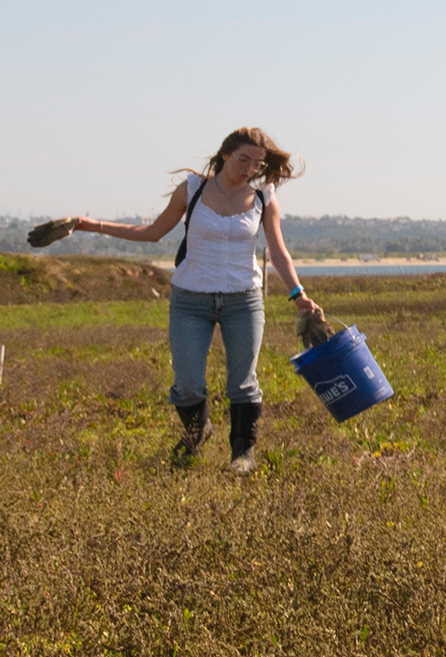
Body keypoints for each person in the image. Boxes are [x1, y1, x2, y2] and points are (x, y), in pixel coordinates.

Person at [45, 128, 322, 472]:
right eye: (243, 159)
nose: (249, 168)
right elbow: (152, 232)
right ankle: (197, 430)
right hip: (191, 299)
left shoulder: (264, 197)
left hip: (244, 300)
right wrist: (87, 224)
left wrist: (299, 295)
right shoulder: (192, 190)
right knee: (187, 382)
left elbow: (278, 252)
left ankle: (242, 454)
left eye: (257, 163)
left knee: (243, 381)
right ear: (225, 155)